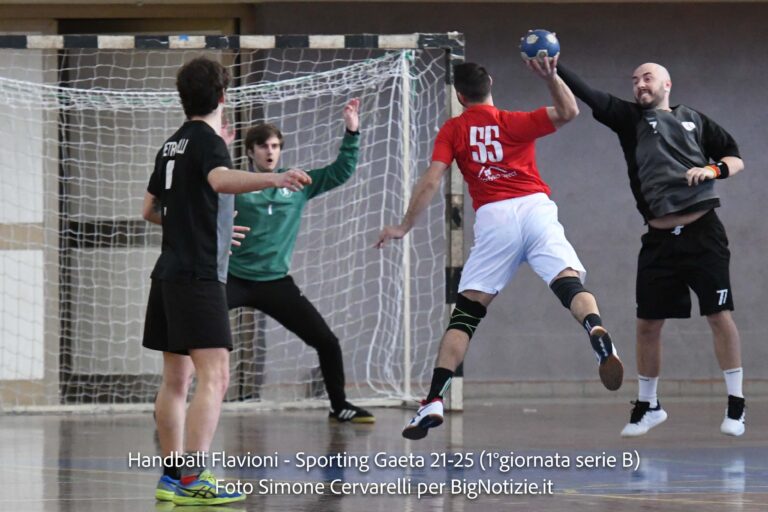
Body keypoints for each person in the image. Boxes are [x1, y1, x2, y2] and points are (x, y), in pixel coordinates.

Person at [376, 58, 623, 441]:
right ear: (490, 83)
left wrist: (404, 225)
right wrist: (551, 75)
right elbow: (570, 111)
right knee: (568, 281)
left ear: (459, 96)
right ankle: (596, 330)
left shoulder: (453, 129)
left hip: (495, 219)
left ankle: (433, 400)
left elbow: (430, 181)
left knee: (467, 314)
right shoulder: (513, 120)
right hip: (536, 209)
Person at [141, 56, 311, 505]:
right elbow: (218, 179)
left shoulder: (171, 145)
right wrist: (274, 177)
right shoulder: (210, 141)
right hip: (198, 278)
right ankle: (195, 479)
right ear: (222, 97)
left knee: (176, 381)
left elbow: (151, 210)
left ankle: (172, 478)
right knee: (215, 377)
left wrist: (202, 224)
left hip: (168, 275)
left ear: (184, 98)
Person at [557, 61, 746, 437]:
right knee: (647, 324)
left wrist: (711, 171)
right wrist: (554, 67)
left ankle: (736, 404)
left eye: (647, 78)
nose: (639, 84)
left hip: (703, 233)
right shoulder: (630, 120)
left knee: (718, 314)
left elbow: (735, 159)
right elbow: (591, 95)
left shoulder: (694, 119)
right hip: (659, 239)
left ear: (666, 84)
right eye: (634, 80)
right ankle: (648, 405)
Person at [227, 98, 374, 424]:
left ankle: (340, 406)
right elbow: (205, 188)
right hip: (233, 278)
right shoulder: (235, 184)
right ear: (250, 151)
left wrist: (352, 131)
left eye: (275, 146)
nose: (270, 151)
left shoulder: (296, 183)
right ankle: (170, 403)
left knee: (327, 342)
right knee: (194, 337)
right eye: (263, 146)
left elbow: (340, 172)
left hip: (275, 282)